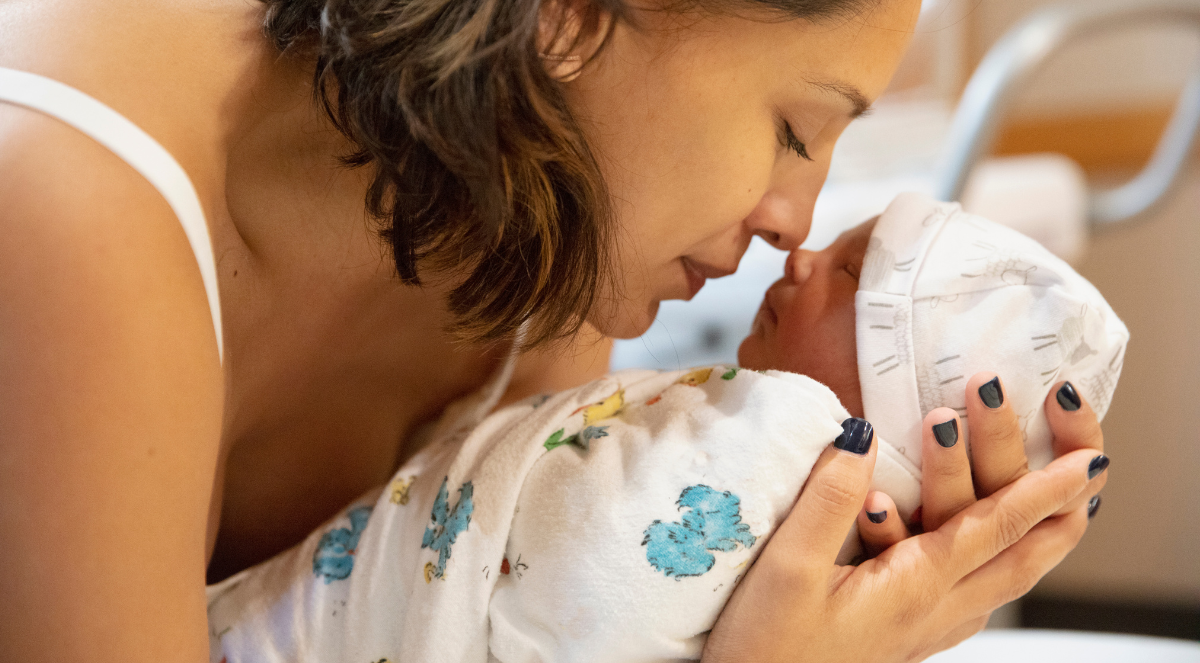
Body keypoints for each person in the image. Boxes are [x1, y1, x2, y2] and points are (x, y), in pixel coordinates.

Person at [0, 0, 1108, 660]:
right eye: (794, 128)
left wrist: (775, 567)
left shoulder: (541, 270)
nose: (795, 222)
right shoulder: (61, 192)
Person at [205, 192, 1121, 662]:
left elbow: (589, 604)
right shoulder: (739, 432)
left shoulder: (788, 439)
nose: (800, 252)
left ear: (893, 397)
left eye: (849, 271)